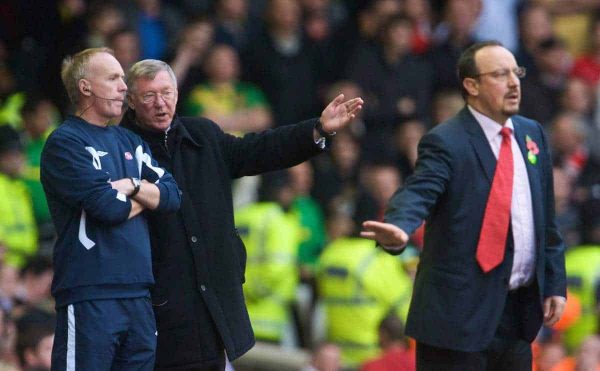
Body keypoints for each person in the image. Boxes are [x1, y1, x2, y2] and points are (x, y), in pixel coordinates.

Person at [119, 58, 362, 370]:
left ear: (178, 94)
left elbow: (258, 149)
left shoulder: (203, 136)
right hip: (156, 306)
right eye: (149, 96)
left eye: (166, 92)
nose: (160, 103)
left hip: (212, 304)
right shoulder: (119, 148)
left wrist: (316, 129)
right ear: (131, 101)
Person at [361, 41, 567, 370]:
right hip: (457, 318)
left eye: (517, 72)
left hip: (517, 314)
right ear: (471, 85)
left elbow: (545, 221)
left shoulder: (533, 134)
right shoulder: (446, 140)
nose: (514, 82)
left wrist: (554, 283)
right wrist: (400, 225)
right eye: (500, 74)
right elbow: (420, 189)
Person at [40, 48, 181, 370]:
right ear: (86, 86)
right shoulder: (66, 142)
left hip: (139, 292)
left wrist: (130, 185)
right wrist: (145, 197)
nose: (124, 87)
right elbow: (107, 208)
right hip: (90, 292)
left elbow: (172, 196)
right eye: (114, 78)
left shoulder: (129, 141)